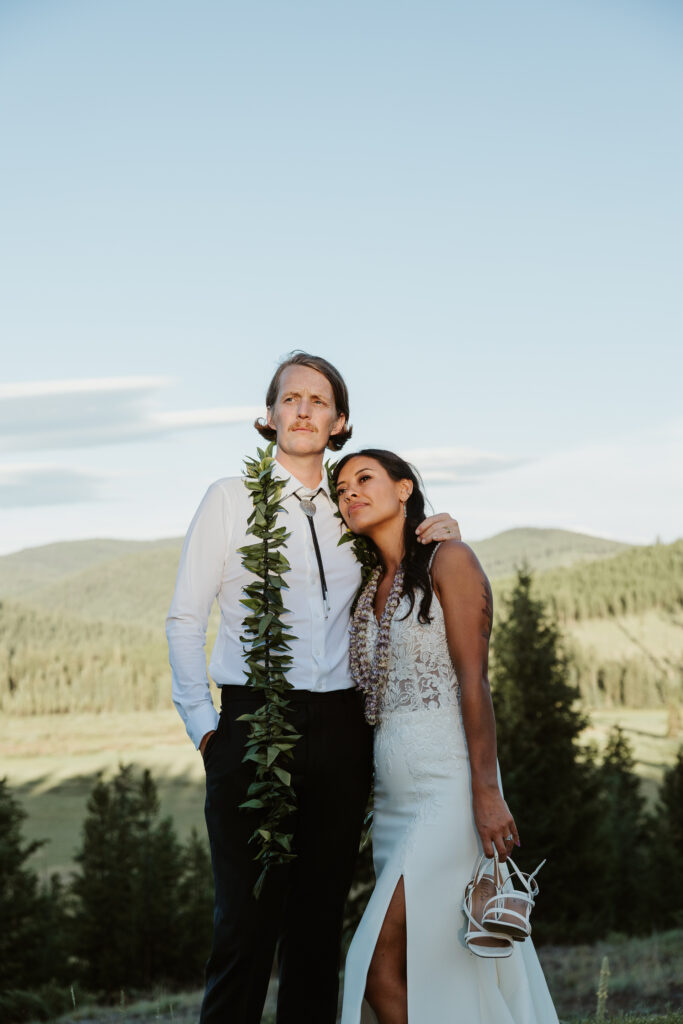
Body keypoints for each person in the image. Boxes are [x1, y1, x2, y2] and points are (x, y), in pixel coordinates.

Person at [165, 354, 461, 1024]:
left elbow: (409, 552)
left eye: (318, 400)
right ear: (269, 416)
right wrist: (205, 728)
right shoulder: (229, 499)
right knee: (244, 924)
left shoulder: (352, 502)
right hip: (251, 726)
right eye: (290, 398)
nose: (302, 409)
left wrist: (444, 531)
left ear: (339, 422)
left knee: (318, 924)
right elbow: (185, 617)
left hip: (342, 729)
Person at [334, 449, 559, 1024]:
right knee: (437, 964)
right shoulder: (369, 584)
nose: (350, 492)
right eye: (341, 488)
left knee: (374, 966)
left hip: (449, 789)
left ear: (404, 488)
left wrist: (486, 791)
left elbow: (474, 680)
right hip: (392, 802)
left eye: (365, 478)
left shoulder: (449, 559)